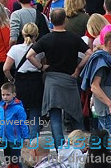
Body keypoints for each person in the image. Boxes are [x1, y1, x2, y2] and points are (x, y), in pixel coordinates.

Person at [25, 8, 84, 148]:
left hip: (52, 79)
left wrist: (41, 67)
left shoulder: (46, 39)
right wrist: (78, 68)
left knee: (55, 117)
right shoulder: (74, 37)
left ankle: (60, 150)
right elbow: (89, 53)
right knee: (75, 115)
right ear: (65, 20)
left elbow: (29, 55)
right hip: (70, 79)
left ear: (51, 20)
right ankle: (81, 147)